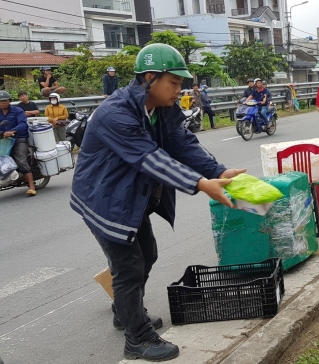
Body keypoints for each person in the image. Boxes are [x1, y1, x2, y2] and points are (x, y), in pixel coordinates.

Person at [70, 43, 245, 362]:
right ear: (150, 78)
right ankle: (137, 339)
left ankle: (124, 312)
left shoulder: (160, 108)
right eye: (174, 83)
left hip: (129, 196)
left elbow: (182, 143)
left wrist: (217, 170)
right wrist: (201, 183)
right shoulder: (116, 112)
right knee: (129, 265)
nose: (180, 90)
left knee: (146, 254)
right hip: (104, 199)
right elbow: (148, 157)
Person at [0, 90, 36, 196]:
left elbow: (23, 124)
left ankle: (31, 185)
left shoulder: (17, 110)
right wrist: (3, 133)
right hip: (3, 140)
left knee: (21, 160)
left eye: (5, 101)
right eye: (1, 101)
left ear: (9, 101)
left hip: (18, 139)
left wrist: (12, 131)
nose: (2, 103)